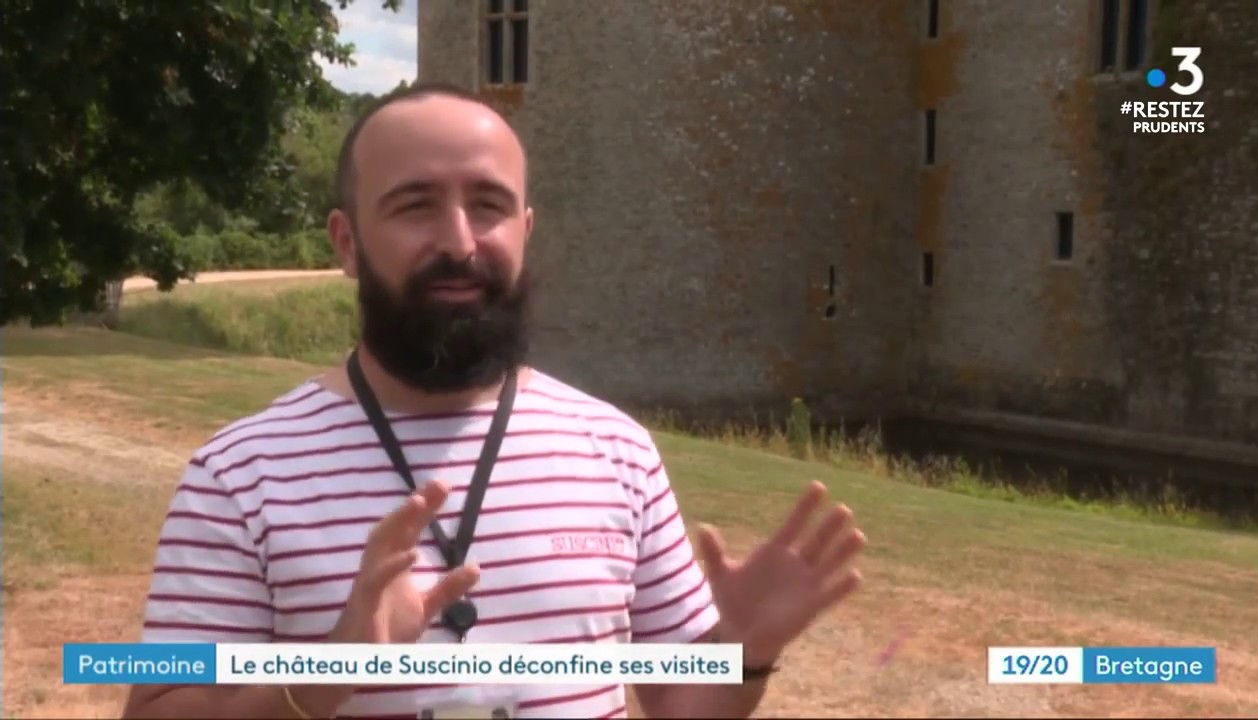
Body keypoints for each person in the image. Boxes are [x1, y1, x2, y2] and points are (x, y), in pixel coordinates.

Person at [121, 81, 867, 720]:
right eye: (415, 206)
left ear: (526, 230)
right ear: (346, 242)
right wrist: (325, 672)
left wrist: (740, 656)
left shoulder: (619, 453)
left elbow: (682, 706)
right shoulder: (240, 474)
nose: (460, 240)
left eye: (489, 206)